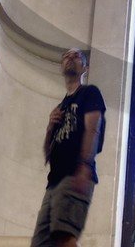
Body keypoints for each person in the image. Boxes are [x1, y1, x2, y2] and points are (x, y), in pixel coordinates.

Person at [31, 49, 106, 247]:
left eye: (77, 56)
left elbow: (93, 129)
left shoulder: (89, 93)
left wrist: (84, 166)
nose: (70, 58)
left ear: (85, 68)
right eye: (66, 56)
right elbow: (47, 154)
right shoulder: (60, 108)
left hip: (75, 173)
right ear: (61, 67)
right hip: (54, 181)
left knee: (64, 236)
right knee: (41, 243)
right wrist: (50, 127)